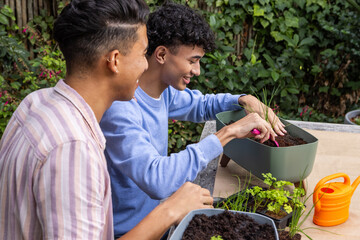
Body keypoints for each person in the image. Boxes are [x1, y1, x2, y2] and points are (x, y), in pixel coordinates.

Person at [0, 0, 214, 239]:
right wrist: (170, 210)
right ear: (114, 61)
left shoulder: (34, 102)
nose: (146, 66)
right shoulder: (72, 150)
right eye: (144, 54)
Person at [100, 1, 287, 238]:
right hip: (129, 233)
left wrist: (243, 99)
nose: (197, 70)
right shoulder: (121, 107)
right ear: (161, 54)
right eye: (192, 60)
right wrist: (228, 133)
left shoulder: (163, 91)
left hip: (159, 224)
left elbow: (201, 105)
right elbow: (156, 179)